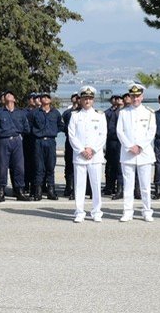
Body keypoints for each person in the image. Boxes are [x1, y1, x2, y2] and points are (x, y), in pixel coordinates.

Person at [116, 84, 157, 222]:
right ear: (129, 97)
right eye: (133, 96)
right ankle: (128, 211)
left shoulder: (149, 112)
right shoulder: (123, 113)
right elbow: (120, 132)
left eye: (138, 96)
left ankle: (147, 211)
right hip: (128, 153)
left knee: (145, 186)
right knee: (128, 185)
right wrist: (130, 146)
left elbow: (151, 132)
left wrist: (140, 146)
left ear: (142, 97)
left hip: (143, 153)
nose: (135, 98)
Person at [67, 86, 107, 223]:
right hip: (80, 156)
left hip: (94, 156)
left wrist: (92, 149)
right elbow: (72, 135)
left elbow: (103, 135)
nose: (87, 101)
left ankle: (96, 212)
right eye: (85, 98)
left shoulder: (100, 116)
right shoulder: (75, 116)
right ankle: (79, 211)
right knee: (79, 185)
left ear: (93, 100)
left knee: (96, 185)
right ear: (81, 100)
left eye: (90, 98)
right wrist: (81, 150)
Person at [0, 91, 31, 202]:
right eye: (7, 95)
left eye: (11, 95)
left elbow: (27, 128)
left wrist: (18, 133)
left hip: (17, 140)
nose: (9, 96)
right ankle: (1, 192)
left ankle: (19, 191)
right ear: (3, 100)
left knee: (19, 167)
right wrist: (3, 133)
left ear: (15, 99)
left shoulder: (20, 113)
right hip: (3, 141)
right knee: (2, 167)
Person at [31, 92, 63, 201]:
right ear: (40, 100)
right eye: (43, 97)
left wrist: (53, 131)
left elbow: (60, 125)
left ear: (50, 100)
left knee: (50, 167)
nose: (45, 99)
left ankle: (51, 190)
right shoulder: (35, 113)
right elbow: (29, 125)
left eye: (47, 97)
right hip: (38, 141)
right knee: (39, 167)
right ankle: (38, 191)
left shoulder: (56, 113)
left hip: (50, 141)